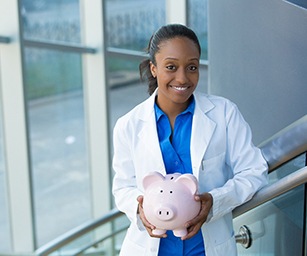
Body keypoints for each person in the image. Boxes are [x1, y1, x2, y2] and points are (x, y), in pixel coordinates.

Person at [112, 24, 268, 256]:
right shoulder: (129, 125)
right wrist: (140, 208)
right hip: (149, 248)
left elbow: (254, 171)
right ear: (154, 68)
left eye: (192, 67)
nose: (182, 78)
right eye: (171, 67)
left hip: (206, 247)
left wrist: (215, 201)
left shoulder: (224, 113)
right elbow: (123, 186)